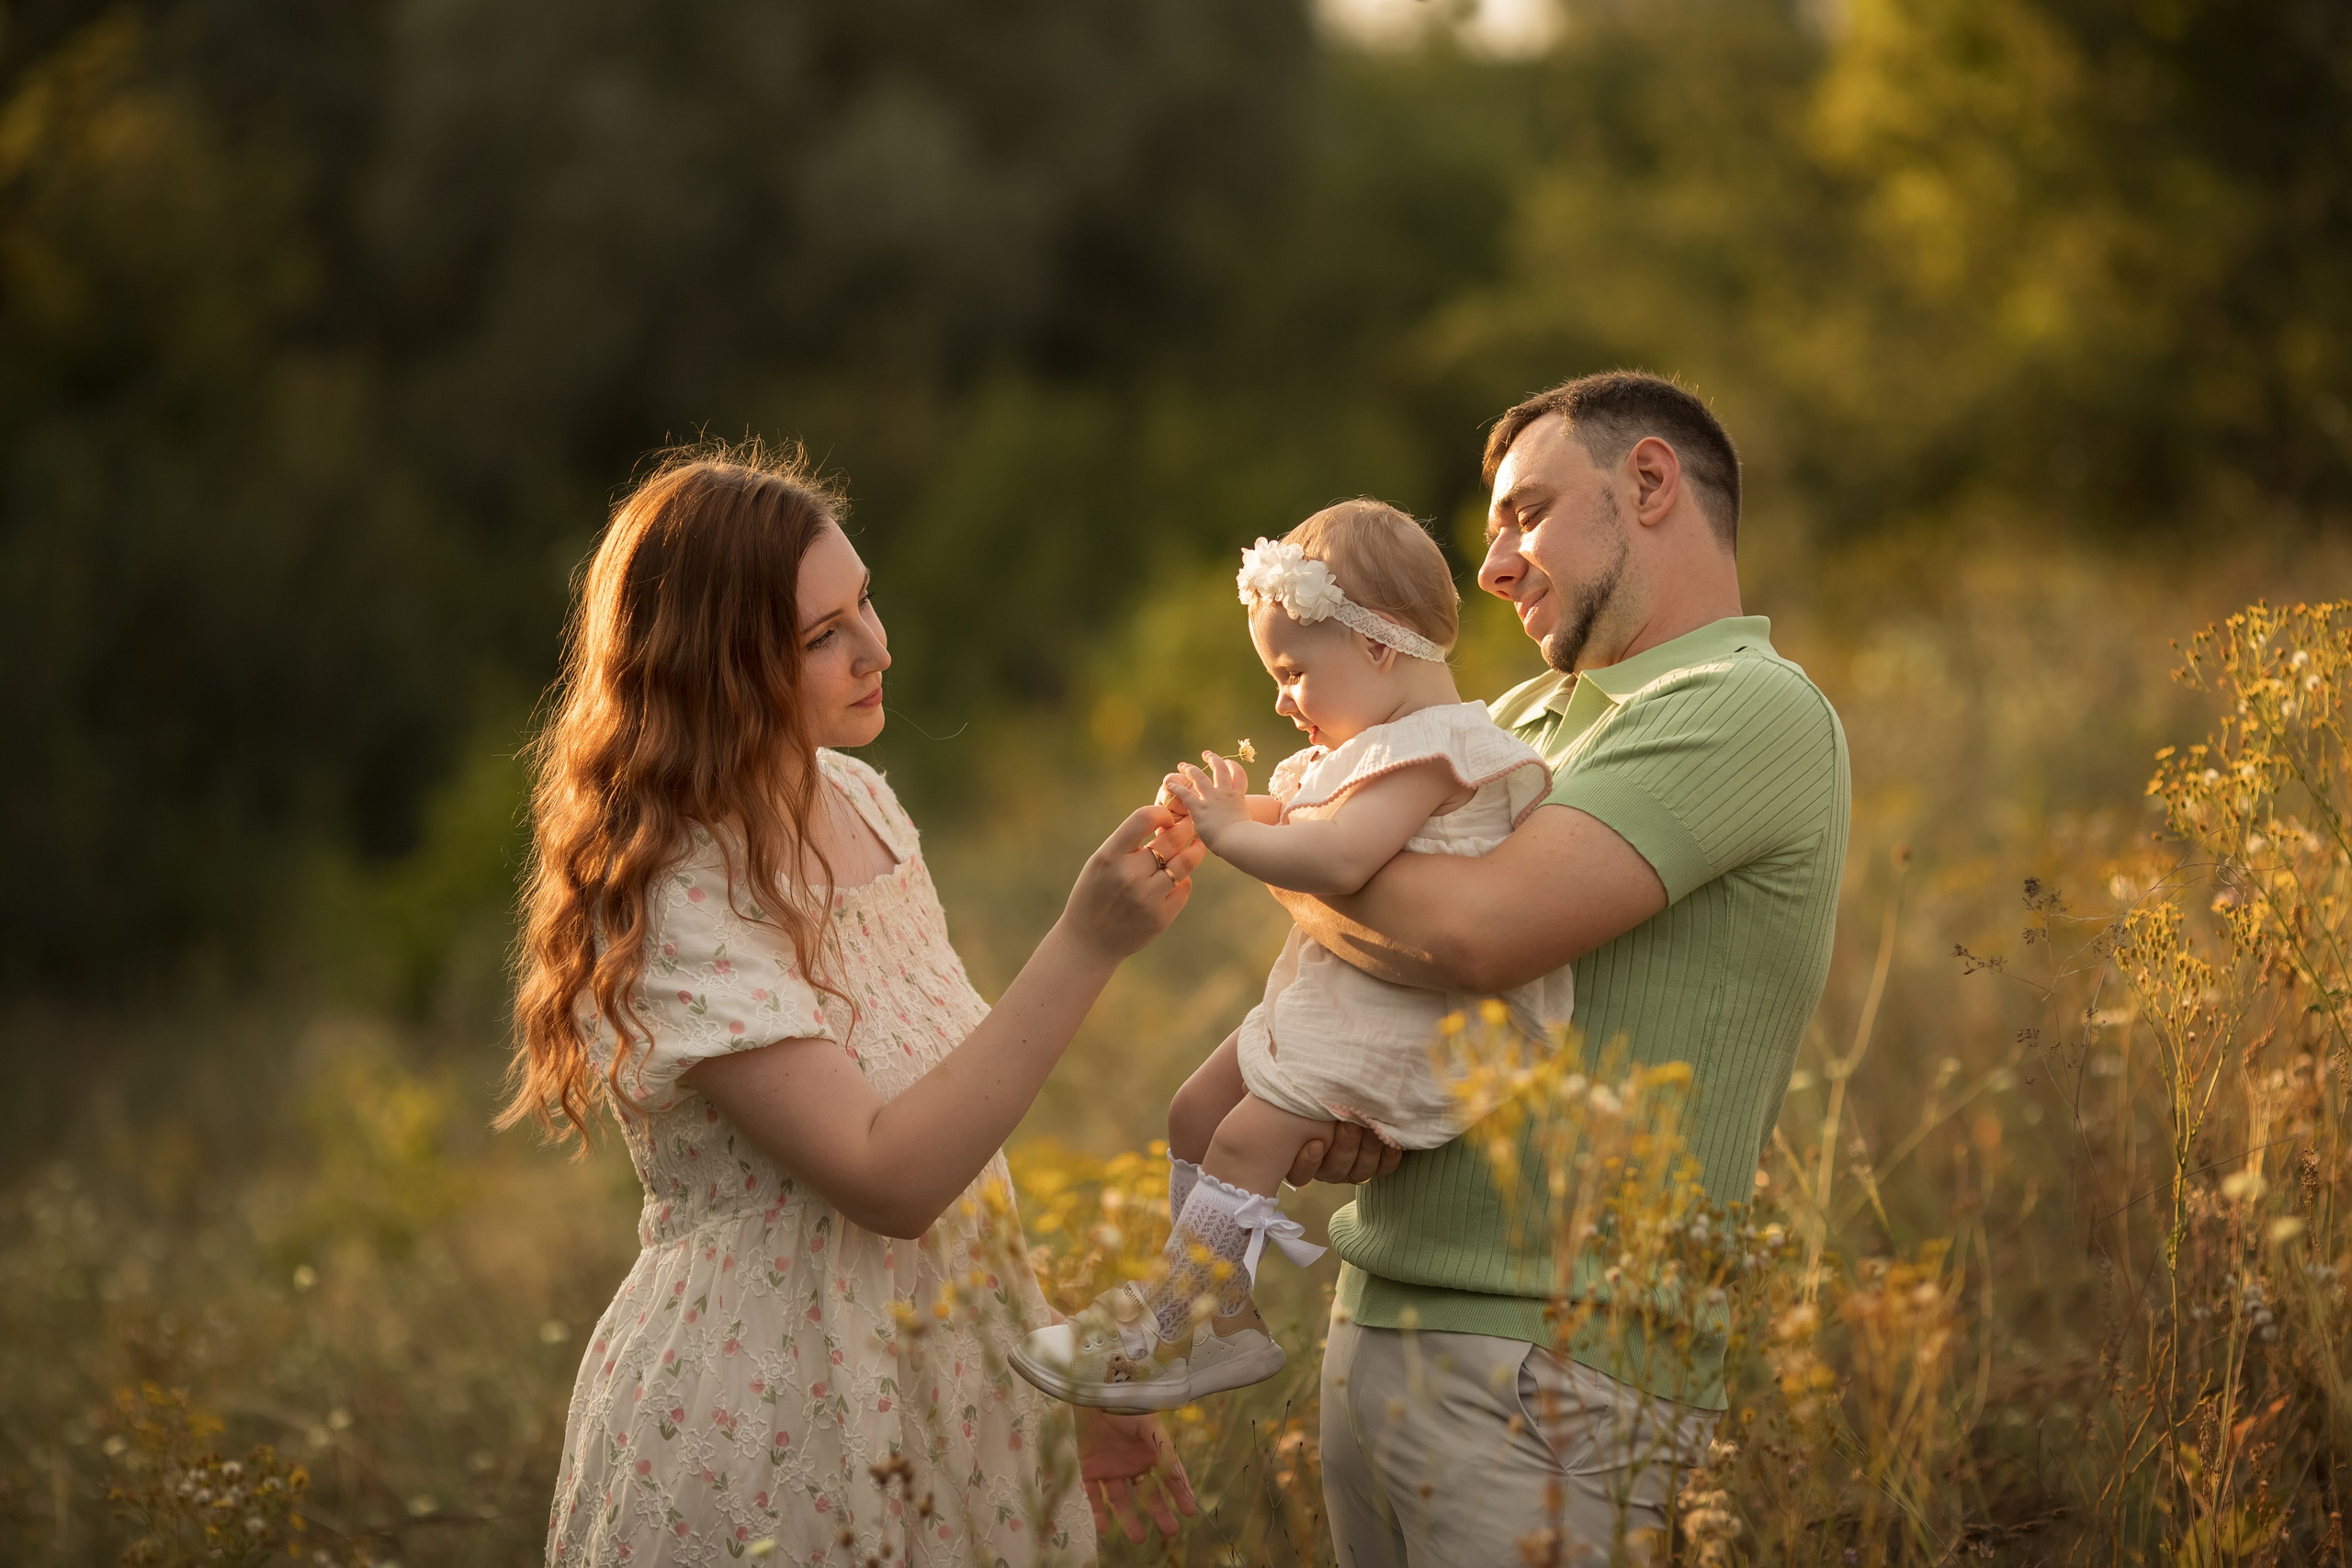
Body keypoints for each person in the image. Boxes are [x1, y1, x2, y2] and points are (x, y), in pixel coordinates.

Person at [1161, 373, 1851, 1565]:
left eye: (1524, 513)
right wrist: (1333, 1094)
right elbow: (1390, 951)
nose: (1492, 568)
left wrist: (1267, 841)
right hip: (1374, 1320)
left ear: (1647, 482)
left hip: (1554, 1366)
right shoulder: (1518, 714)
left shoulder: (1745, 705)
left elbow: (1472, 933)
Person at [503, 445, 1207, 1566]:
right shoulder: (678, 889)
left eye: (864, 602)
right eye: (819, 637)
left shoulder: (863, 801)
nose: (877, 648)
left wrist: (1051, 1376)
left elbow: (961, 1147)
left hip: (951, 1402)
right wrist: (1085, 943)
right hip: (774, 1427)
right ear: (715, 668)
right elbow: (891, 1178)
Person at [1011, 500, 1572, 1413]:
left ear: (1380, 650)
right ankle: (1215, 1300)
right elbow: (1304, 820)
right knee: (1195, 1108)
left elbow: (1342, 855)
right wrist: (1215, 812)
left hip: (1415, 1015)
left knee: (1242, 1137)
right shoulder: (1368, 747)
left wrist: (1236, 834)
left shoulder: (1438, 750)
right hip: (1346, 994)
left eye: (1293, 673)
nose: (1280, 700)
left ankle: (1181, 1323)